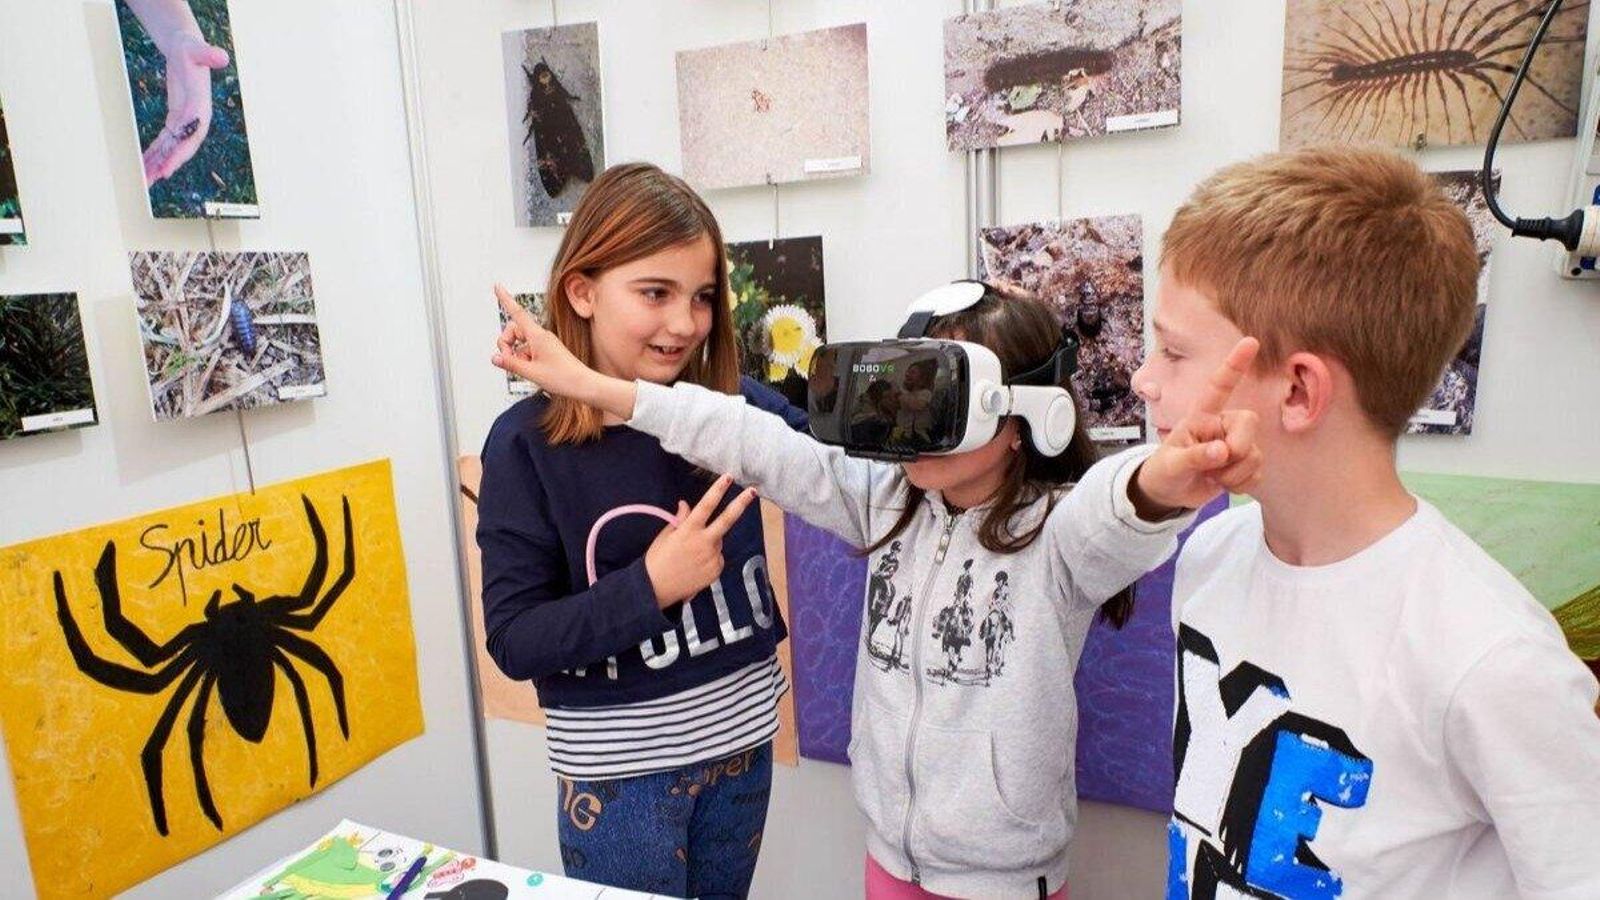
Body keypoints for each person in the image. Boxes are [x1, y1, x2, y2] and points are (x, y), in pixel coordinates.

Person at [494, 281, 1262, 898]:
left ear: (1027, 418)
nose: (905, 427)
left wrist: (1165, 477)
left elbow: (1115, 510)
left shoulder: (1056, 539)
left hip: (997, 881)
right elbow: (752, 439)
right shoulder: (888, 501)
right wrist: (601, 388)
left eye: (934, 403)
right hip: (888, 859)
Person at [1142, 145, 1600, 898]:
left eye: (1174, 351)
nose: (1144, 377)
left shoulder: (1493, 662)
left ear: (1298, 392)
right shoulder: (1211, 555)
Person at [477, 162, 803, 900]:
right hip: (622, 784)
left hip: (743, 752)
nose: (685, 323)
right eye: (655, 293)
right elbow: (515, 641)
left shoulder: (732, 410)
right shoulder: (525, 443)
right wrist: (650, 588)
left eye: (703, 297)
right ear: (582, 291)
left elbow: (843, 470)